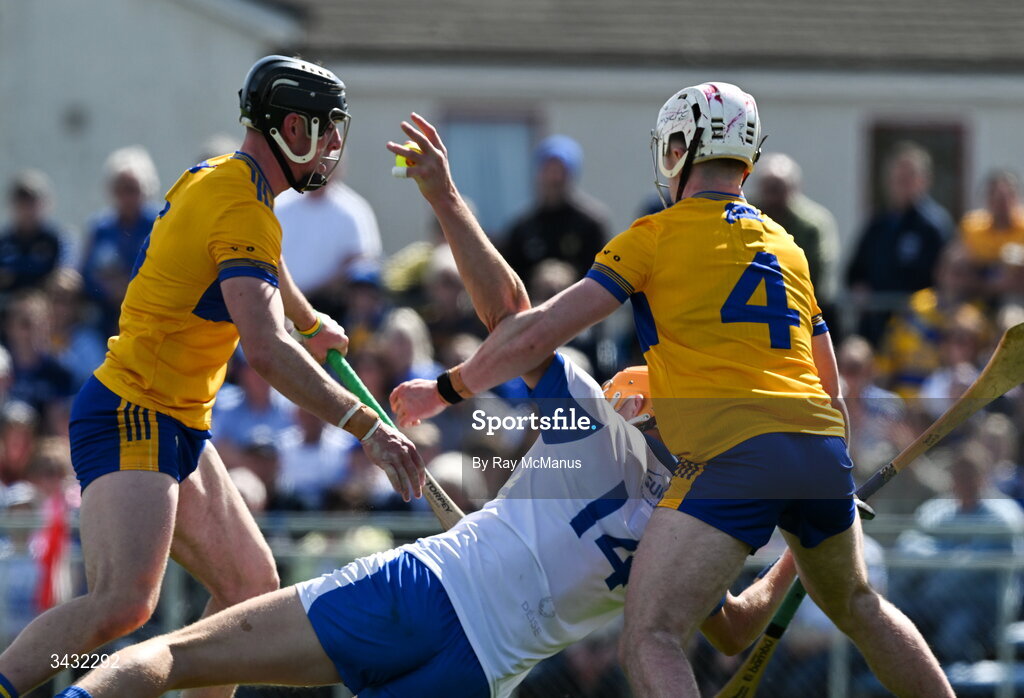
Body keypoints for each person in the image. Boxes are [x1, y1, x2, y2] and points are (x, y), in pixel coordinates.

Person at [56, 113, 799, 698]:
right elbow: (733, 627)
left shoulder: (596, 429)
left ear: (644, 405)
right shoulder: (682, 536)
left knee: (171, 653)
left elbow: (512, 315)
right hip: (476, 678)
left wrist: (446, 199)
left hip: (418, 594)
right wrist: (800, 556)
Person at [390, 87, 953, 697]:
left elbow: (536, 332)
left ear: (680, 148)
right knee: (861, 607)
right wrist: (828, 489)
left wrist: (447, 389)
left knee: (651, 637)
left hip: (734, 455)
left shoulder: (653, 236)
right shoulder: (786, 247)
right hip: (817, 446)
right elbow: (829, 386)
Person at [0, 55, 426, 698]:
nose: (334, 145)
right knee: (122, 604)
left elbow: (263, 262)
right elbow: (265, 349)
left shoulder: (226, 179)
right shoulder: (243, 207)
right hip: (134, 409)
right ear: (289, 126)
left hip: (179, 417)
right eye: (325, 129)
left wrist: (310, 320)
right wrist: (368, 426)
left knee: (249, 590)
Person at [847, 141, 954, 344]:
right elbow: (854, 272)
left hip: (919, 330)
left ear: (924, 180)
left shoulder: (935, 225)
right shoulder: (877, 224)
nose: (902, 184)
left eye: (908, 178)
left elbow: (947, 276)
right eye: (898, 179)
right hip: (877, 328)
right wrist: (860, 290)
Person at [501, 134, 610, 281]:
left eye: (560, 171)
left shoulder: (591, 223)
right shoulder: (522, 226)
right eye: (549, 170)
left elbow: (603, 277)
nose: (554, 178)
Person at [752, 152, 841, 329]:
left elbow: (817, 269)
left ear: (793, 188)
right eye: (768, 188)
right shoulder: (747, 216)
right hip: (754, 307)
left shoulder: (813, 224)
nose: (773, 196)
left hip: (807, 311)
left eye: (778, 188)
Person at [80, 146, 162, 335]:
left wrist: (131, 285)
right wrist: (107, 288)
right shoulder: (100, 228)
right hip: (107, 314)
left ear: (147, 188)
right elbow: (86, 273)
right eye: (120, 189)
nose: (127, 197)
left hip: (151, 311)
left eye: (133, 189)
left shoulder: (160, 223)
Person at [0, 170, 65, 294]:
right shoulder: (4, 241)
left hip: (47, 304)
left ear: (46, 204)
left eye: (33, 202)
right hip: (8, 305)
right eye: (22, 202)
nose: (28, 209)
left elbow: (66, 275)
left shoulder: (58, 239)